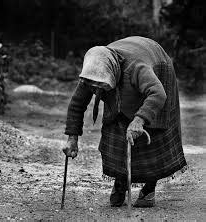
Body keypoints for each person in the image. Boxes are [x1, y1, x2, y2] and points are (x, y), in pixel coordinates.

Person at [63, 36, 187, 207]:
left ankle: (149, 189)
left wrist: (139, 120)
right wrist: (72, 138)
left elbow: (158, 94)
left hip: (158, 67)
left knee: (154, 130)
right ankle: (121, 181)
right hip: (127, 77)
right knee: (114, 128)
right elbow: (77, 104)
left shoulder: (136, 68)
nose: (95, 90)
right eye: (93, 87)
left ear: (112, 73)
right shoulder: (95, 69)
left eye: (100, 87)